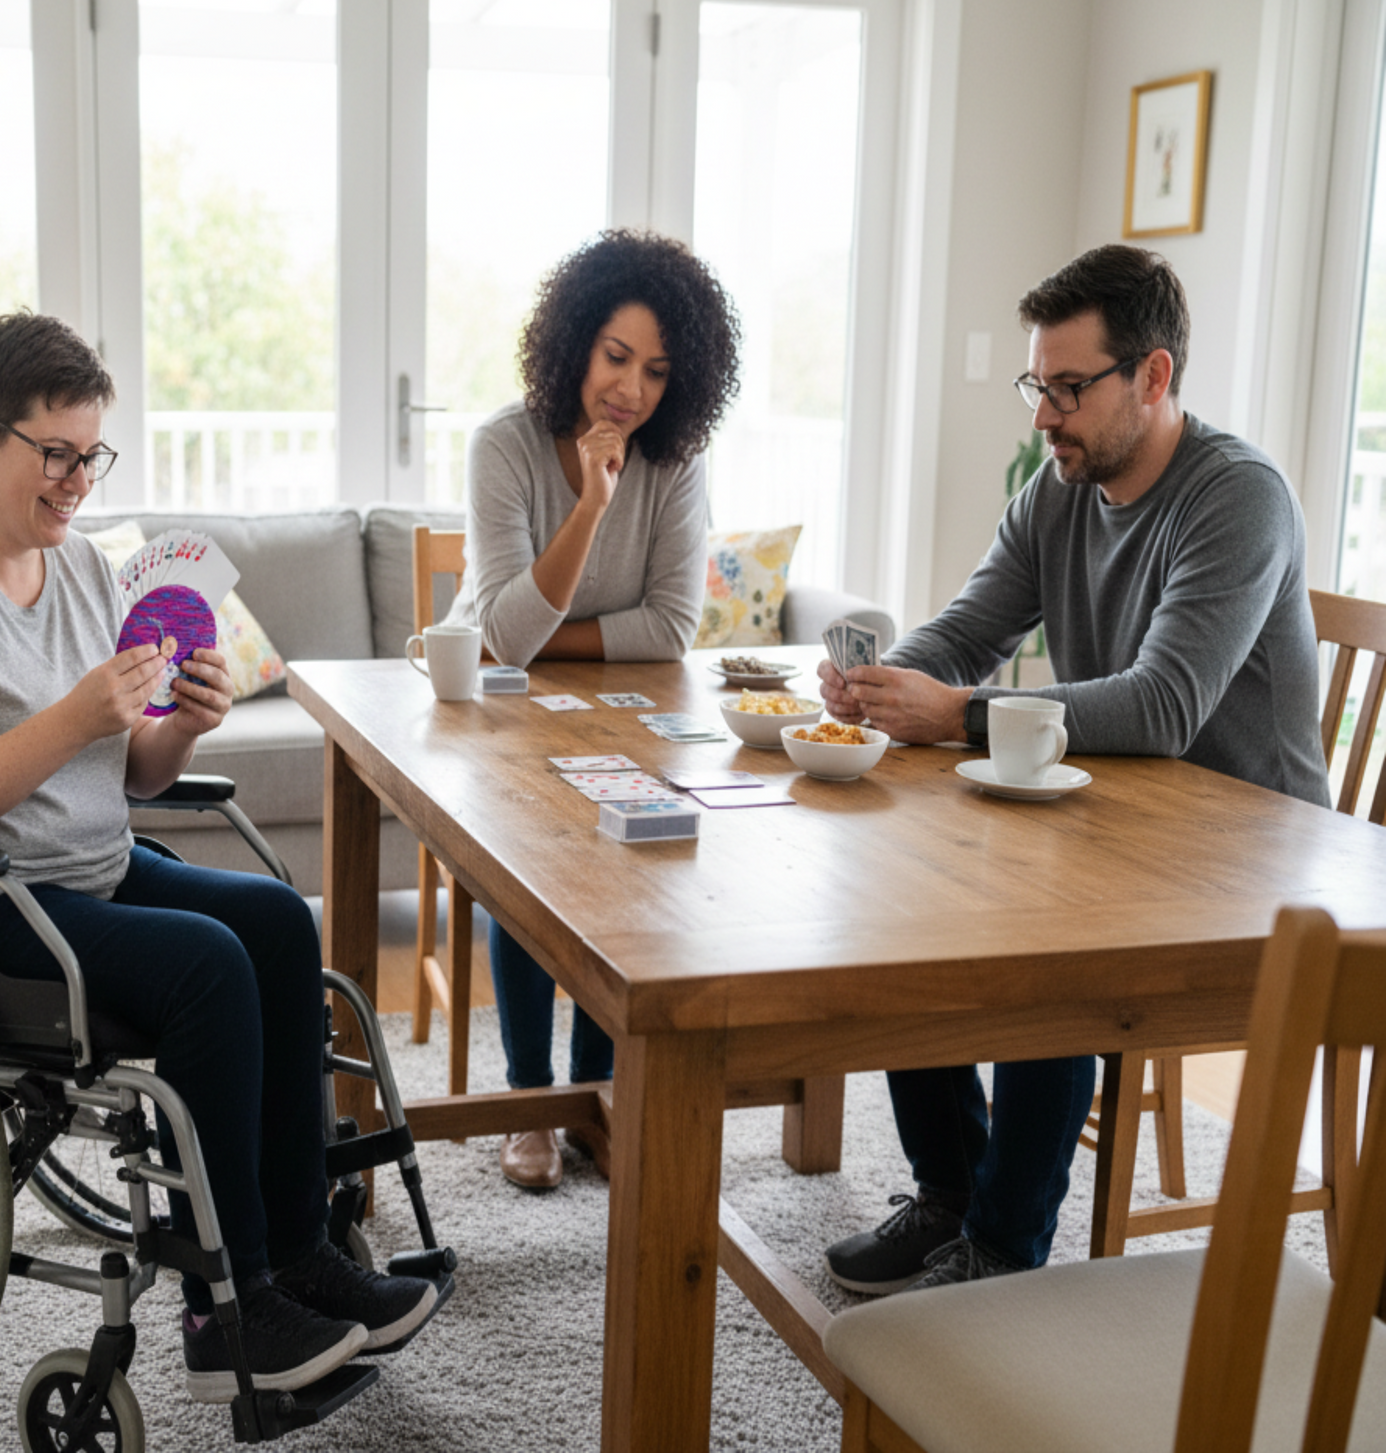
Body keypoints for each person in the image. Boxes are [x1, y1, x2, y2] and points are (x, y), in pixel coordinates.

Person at [0, 312, 439, 1402]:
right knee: (207, 964)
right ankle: (226, 1305)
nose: (78, 480)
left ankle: (301, 1251)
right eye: (56, 453)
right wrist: (77, 715)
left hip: (93, 867)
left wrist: (183, 726)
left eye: (91, 453)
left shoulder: (79, 571)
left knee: (273, 920)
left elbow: (132, 778)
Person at [817, 244, 1329, 1295]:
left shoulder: (1236, 497)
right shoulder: (1058, 490)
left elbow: (1159, 703)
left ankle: (1002, 1254)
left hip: (1254, 867)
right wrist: (884, 684)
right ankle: (950, 1197)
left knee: (1037, 928)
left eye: (1066, 388)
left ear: (1150, 376)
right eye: (1034, 387)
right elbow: (968, 627)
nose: (1043, 416)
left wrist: (955, 712)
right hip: (1119, 820)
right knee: (906, 885)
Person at [446, 229, 742, 1190]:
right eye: (616, 356)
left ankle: (596, 1094)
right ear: (574, 343)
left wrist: (534, 628)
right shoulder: (504, 445)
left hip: (604, 700)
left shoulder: (678, 461)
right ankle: (532, 1099)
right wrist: (588, 510)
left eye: (657, 370)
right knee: (533, 856)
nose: (631, 390)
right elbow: (501, 646)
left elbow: (671, 629)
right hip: (494, 706)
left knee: (647, 851)